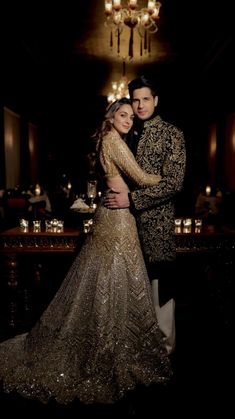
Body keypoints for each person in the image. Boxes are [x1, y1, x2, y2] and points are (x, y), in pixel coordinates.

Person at [0, 98, 172, 406]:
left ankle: (109, 342)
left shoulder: (109, 141)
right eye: (123, 114)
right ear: (111, 116)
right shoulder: (114, 141)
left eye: (131, 117)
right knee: (113, 278)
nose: (128, 120)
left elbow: (127, 182)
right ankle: (106, 350)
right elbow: (143, 178)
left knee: (105, 280)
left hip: (115, 217)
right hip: (117, 221)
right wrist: (170, 180)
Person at [105, 76, 186, 354]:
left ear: (156, 100)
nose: (139, 106)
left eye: (145, 99)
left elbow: (174, 183)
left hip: (156, 225)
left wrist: (133, 199)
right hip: (124, 225)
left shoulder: (172, 134)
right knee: (128, 291)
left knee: (159, 289)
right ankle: (134, 353)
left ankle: (164, 353)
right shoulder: (127, 131)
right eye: (135, 100)